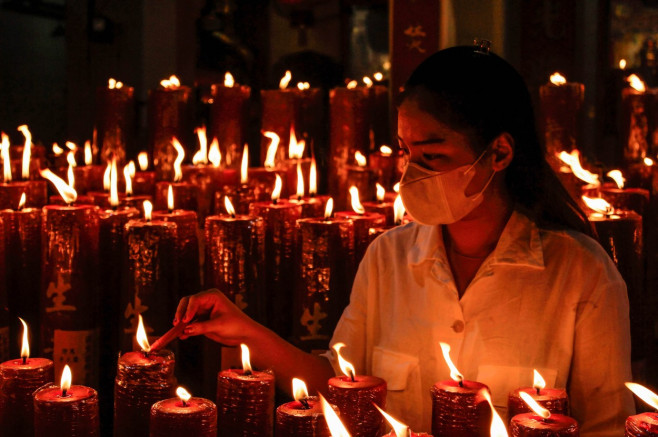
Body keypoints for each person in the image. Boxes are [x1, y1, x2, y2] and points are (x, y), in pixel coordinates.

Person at [174, 45, 634, 435]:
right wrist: (246, 331)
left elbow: (605, 425)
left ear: (499, 153)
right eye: (406, 152)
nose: (411, 173)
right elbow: (341, 383)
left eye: (432, 156)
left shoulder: (581, 274)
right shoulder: (388, 257)